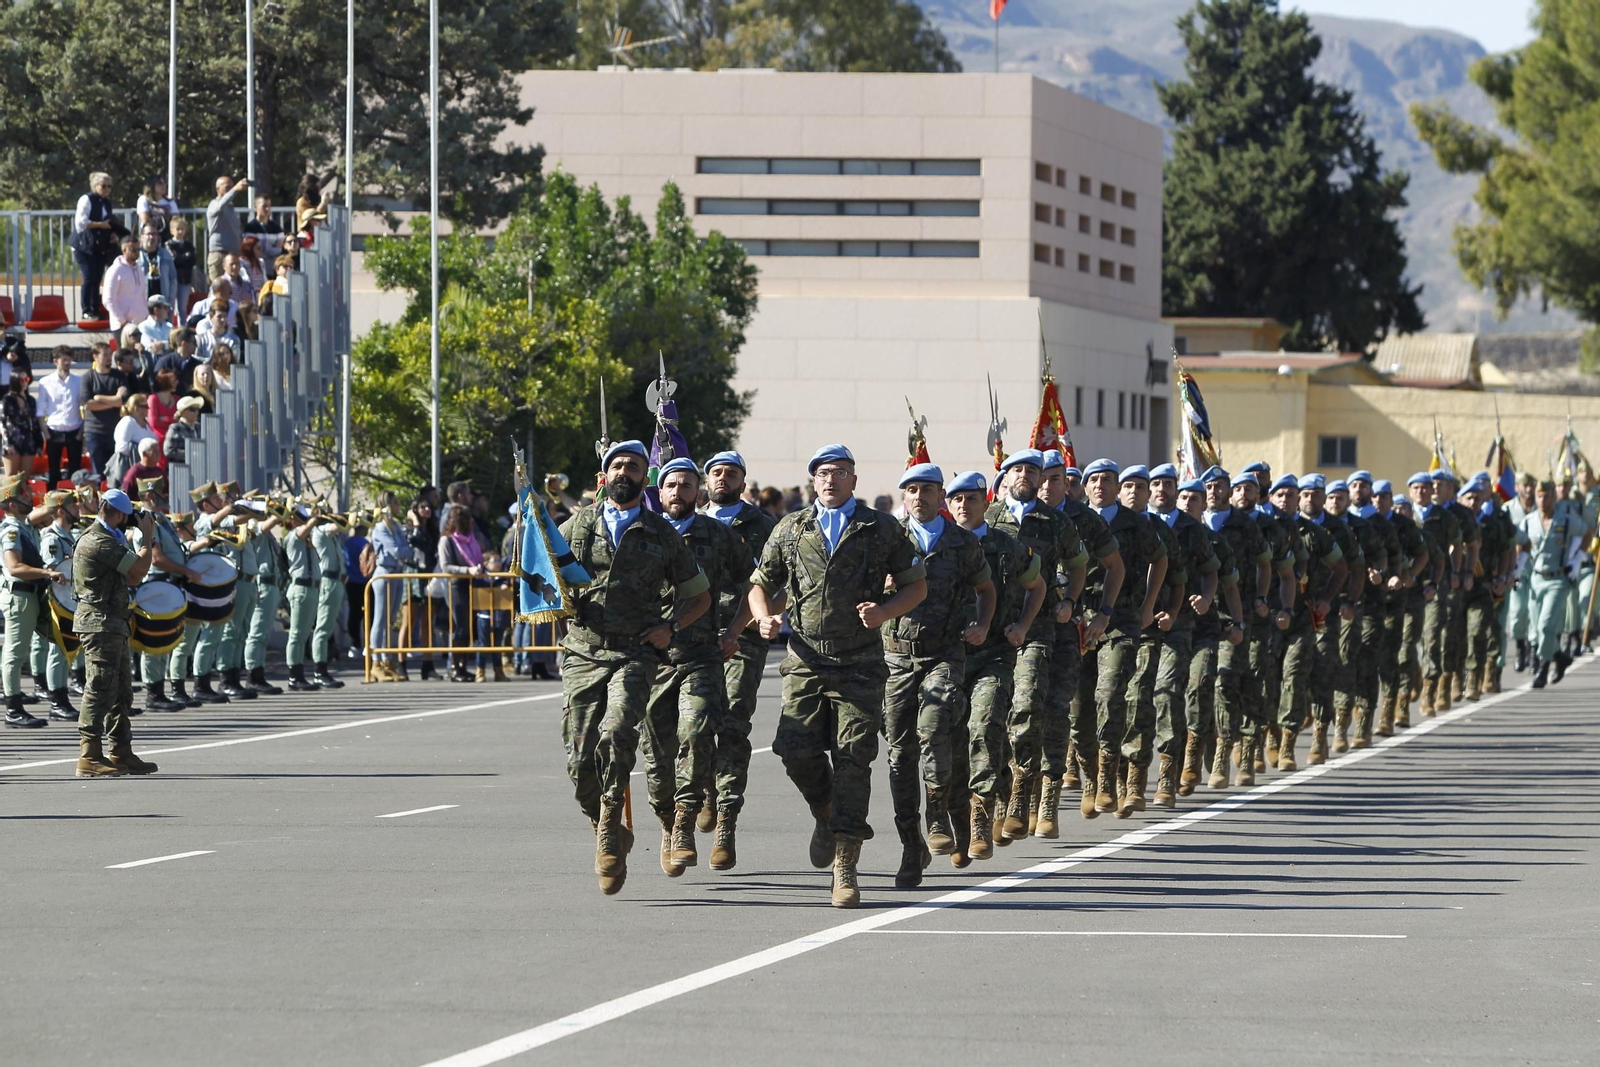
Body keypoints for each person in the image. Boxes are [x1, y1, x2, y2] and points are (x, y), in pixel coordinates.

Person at [747, 443, 926, 908]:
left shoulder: (880, 528)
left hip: (859, 664)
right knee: (795, 748)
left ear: (854, 479)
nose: (831, 480)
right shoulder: (791, 528)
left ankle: (846, 864)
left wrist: (884, 611)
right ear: (814, 481)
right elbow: (761, 585)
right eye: (824, 473)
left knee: (853, 758)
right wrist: (765, 618)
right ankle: (824, 813)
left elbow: (916, 584)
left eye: (840, 473)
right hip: (805, 659)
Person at [558, 440, 711, 897]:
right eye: (618, 464)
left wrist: (670, 626)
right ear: (604, 476)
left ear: (646, 476)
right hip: (584, 652)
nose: (625, 470)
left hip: (636, 653)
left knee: (618, 730)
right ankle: (602, 820)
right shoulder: (573, 528)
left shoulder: (661, 533)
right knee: (578, 757)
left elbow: (698, 596)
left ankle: (610, 821)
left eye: (635, 465)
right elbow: (542, 583)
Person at [880, 463, 993, 883]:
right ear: (903, 496)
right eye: (912, 489)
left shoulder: (961, 543)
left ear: (940, 495)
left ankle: (938, 816)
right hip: (894, 658)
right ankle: (912, 846)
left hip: (944, 653)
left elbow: (986, 590)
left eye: (927, 490)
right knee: (899, 754)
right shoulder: (884, 539)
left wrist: (981, 625)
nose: (919, 497)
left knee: (933, 724)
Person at [641, 457, 754, 876]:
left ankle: (687, 820)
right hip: (649, 661)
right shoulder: (641, 533)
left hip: (702, 655)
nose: (678, 491)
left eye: (686, 486)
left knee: (698, 729)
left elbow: (755, 583)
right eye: (671, 484)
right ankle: (668, 823)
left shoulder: (719, 535)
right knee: (657, 752)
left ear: (698, 493)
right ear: (660, 490)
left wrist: (735, 630)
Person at [981, 449, 1088, 837]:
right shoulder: (987, 518)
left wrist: (1070, 602)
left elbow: (1079, 566)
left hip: (1039, 631)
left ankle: (1032, 795)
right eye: (1018, 469)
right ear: (1005, 476)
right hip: (992, 634)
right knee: (990, 719)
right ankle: (998, 795)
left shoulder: (1056, 522)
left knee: (1029, 709)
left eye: (1032, 470)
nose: (1025, 475)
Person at [945, 470, 1043, 863]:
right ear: (947, 505)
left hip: (995, 656)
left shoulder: (1007, 546)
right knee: (950, 743)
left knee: (983, 727)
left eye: (971, 499)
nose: (964, 505)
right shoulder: (938, 544)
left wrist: (1022, 625)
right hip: (944, 658)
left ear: (987, 503)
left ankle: (981, 815)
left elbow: (1037, 587)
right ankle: (965, 814)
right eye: (957, 500)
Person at [696, 451, 777, 864]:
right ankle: (705, 788)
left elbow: (767, 583)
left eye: (731, 473)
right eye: (715, 471)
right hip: (692, 638)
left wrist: (737, 629)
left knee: (731, 723)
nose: (722, 478)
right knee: (691, 725)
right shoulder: (685, 522)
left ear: (743, 481)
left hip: (741, 636)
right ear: (705, 480)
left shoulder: (762, 526)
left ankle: (726, 817)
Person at [72, 489, 161, 776]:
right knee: (99, 687)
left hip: (112, 621)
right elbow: (137, 572)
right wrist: (147, 537)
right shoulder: (98, 541)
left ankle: (121, 751)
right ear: (120, 514)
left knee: (121, 690)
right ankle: (89, 755)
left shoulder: (110, 537)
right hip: (98, 622)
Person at [0, 475, 64, 728]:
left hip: (29, 594)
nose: (30, 498)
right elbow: (14, 567)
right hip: (19, 593)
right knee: (14, 653)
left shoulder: (24, 525)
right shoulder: (13, 530)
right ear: (12, 503)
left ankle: (15, 704)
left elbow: (46, 509)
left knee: (18, 651)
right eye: (24, 495)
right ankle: (13, 708)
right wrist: (47, 573)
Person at [1519, 479, 1584, 688]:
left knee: (1546, 625)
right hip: (1536, 579)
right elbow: (1520, 544)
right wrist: (1517, 568)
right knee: (1536, 629)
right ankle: (1560, 657)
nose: (1542, 500)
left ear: (1554, 498)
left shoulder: (1565, 520)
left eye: (1547, 496)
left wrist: (1577, 558)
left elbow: (1588, 532)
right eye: (1539, 496)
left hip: (1558, 579)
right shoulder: (1529, 521)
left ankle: (1543, 668)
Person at [366, 493, 415, 683]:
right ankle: (375, 661)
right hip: (384, 573)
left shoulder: (395, 526)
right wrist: (403, 551)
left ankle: (387, 659)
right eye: (395, 502)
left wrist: (403, 551)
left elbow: (406, 550)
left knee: (390, 619)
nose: (398, 505)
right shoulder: (380, 527)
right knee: (380, 618)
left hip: (396, 573)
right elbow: (396, 550)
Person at [435, 504, 483, 683]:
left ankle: (463, 666)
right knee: (459, 626)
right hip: (455, 585)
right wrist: (467, 570)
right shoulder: (447, 540)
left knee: (467, 627)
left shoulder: (471, 539)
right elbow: (446, 566)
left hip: (470, 585)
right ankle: (454, 667)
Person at [72, 172, 120, 319]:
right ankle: (86, 309)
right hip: (83, 245)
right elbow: (81, 222)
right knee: (88, 276)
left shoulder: (107, 203)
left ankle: (95, 308)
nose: (107, 190)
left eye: (110, 187)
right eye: (103, 186)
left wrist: (113, 232)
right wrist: (100, 225)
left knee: (98, 277)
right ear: (95, 186)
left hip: (99, 246)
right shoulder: (87, 199)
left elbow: (109, 222)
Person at [310, 507, 349, 688]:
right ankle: (320, 670)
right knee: (323, 628)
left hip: (336, 581)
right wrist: (349, 518)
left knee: (327, 627)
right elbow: (335, 527)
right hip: (327, 581)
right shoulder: (319, 531)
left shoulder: (332, 537)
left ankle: (322, 668)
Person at [36, 346, 84, 488]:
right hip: (54, 430)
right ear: (55, 361)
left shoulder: (79, 380)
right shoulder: (45, 382)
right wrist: (46, 434)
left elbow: (84, 405)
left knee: (75, 470)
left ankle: (75, 499)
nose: (67, 363)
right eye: (64, 359)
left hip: (74, 430)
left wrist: (81, 432)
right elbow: (40, 409)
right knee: (53, 470)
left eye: (69, 359)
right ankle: (53, 499)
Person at [81, 344, 130, 479]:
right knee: (98, 473)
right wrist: (114, 401)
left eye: (110, 354)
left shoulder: (118, 376)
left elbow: (123, 401)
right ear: (95, 356)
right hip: (94, 432)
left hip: (115, 431)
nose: (109, 358)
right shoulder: (88, 378)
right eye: (105, 355)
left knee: (116, 472)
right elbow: (88, 404)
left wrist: (99, 398)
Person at [206, 175, 249, 279]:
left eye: (231, 187)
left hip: (233, 255)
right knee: (218, 289)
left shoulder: (232, 208)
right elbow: (221, 205)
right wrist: (235, 189)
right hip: (219, 255)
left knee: (233, 290)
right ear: (217, 189)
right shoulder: (214, 204)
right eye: (227, 188)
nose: (230, 190)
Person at [0, 371, 40, 479]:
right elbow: (2, 421)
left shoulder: (31, 400)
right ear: (14, 381)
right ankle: (9, 496)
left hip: (28, 441)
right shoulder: (7, 399)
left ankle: (24, 496)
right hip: (12, 440)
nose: (24, 383)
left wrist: (39, 442)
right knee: (11, 477)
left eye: (26, 380)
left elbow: (35, 422)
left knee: (25, 477)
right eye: (21, 380)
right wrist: (7, 442)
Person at [101, 236, 146, 333]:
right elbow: (108, 299)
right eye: (133, 249)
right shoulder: (115, 270)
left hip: (140, 324)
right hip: (123, 326)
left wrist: (145, 315)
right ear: (124, 250)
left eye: (138, 249)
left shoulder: (139, 269)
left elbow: (143, 295)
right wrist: (122, 321)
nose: (136, 252)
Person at [136, 224, 178, 309]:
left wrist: (170, 300)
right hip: (142, 304)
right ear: (141, 237)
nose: (152, 237)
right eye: (149, 234)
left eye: (155, 234)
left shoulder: (166, 255)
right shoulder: (136, 256)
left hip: (162, 302)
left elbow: (173, 279)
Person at [168, 215, 199, 320]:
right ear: (172, 231)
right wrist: (185, 257)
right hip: (172, 279)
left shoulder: (189, 245)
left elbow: (193, 260)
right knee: (170, 306)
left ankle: (182, 329)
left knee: (182, 308)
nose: (180, 232)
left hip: (185, 279)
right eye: (178, 229)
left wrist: (183, 258)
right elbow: (173, 260)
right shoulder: (169, 244)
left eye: (182, 229)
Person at [154, 330, 201, 395]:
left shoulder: (197, 364)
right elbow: (158, 385)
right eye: (194, 343)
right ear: (184, 344)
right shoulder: (165, 362)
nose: (196, 346)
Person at [136, 176, 179, 244]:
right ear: (151, 185)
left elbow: (176, 220)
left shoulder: (170, 202)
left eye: (164, 183)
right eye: (159, 183)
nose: (163, 185)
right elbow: (145, 219)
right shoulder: (144, 199)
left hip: (167, 234)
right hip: (150, 234)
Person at [163, 396, 204, 463]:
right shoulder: (175, 428)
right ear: (183, 412)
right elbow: (168, 451)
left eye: (197, 409)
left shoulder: (199, 427)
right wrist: (190, 454)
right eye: (193, 409)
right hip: (182, 470)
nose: (196, 412)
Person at [244, 195, 285, 260]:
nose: (267, 209)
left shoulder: (277, 228)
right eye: (264, 206)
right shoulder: (250, 228)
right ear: (256, 207)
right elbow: (251, 248)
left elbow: (279, 248)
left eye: (269, 206)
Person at [295, 173, 333, 240]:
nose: (318, 190)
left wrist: (328, 202)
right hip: (306, 234)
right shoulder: (301, 202)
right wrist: (323, 204)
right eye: (316, 187)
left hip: (321, 233)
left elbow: (325, 217)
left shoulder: (318, 199)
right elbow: (312, 217)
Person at [147, 368, 180, 445]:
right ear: (165, 382)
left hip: (175, 439)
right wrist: (172, 419)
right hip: (158, 440)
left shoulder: (177, 399)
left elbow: (180, 420)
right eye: (174, 380)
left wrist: (164, 418)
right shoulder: (153, 399)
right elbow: (153, 422)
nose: (177, 382)